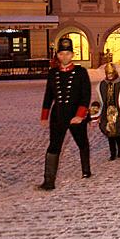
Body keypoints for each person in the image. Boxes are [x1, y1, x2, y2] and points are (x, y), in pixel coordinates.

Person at [37, 37, 92, 190]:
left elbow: (85, 95)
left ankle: (86, 170)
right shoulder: (53, 73)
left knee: (82, 142)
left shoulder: (80, 72)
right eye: (61, 54)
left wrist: (80, 115)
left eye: (68, 53)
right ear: (58, 55)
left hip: (75, 115)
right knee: (53, 147)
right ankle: (49, 181)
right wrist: (44, 116)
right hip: (58, 116)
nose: (64, 57)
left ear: (72, 55)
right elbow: (48, 95)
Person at [92, 62, 120, 161]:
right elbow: (100, 98)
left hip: (117, 111)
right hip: (106, 111)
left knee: (117, 133)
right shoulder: (103, 84)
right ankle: (113, 153)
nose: (109, 76)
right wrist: (97, 108)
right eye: (108, 74)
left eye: (111, 74)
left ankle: (119, 150)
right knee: (109, 133)